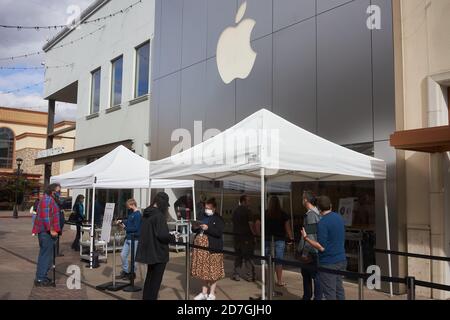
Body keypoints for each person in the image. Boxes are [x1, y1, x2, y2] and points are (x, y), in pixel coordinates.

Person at [301, 196, 347, 300]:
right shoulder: (339, 217)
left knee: (329, 293)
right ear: (330, 205)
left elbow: (322, 247)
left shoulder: (323, 223)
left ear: (318, 208)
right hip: (341, 259)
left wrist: (306, 238)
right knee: (339, 290)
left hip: (328, 262)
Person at [136, 192, 175, 300]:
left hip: (149, 251)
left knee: (149, 278)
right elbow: (162, 235)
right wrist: (172, 237)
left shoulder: (147, 213)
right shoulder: (159, 216)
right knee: (155, 282)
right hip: (159, 252)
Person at [256, 196, 294, 287]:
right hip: (279, 240)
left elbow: (257, 223)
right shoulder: (283, 214)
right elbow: (287, 228)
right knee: (278, 261)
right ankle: (279, 280)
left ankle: (269, 280)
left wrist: (259, 234)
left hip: (267, 239)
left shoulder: (265, 213)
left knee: (269, 261)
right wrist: (291, 238)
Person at [191, 198, 225, 300]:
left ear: (214, 208)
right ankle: (204, 292)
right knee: (204, 271)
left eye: (209, 208)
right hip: (201, 249)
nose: (207, 210)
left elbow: (218, 233)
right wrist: (195, 226)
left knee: (213, 271)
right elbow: (193, 229)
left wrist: (208, 228)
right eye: (206, 208)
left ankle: (212, 293)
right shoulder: (202, 215)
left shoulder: (218, 219)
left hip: (213, 248)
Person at [32, 183, 61, 286]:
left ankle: (41, 276)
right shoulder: (47, 199)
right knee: (46, 256)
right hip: (46, 233)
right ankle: (40, 279)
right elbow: (46, 217)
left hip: (46, 232)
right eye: (58, 191)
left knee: (45, 255)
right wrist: (51, 230)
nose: (59, 193)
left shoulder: (50, 199)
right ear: (52, 191)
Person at [298, 191, 322, 300]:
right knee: (313, 277)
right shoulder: (315, 213)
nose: (302, 200)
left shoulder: (311, 215)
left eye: (303, 198)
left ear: (306, 200)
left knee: (311, 277)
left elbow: (310, 236)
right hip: (314, 251)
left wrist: (304, 253)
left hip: (311, 252)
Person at [231, 194, 256, 282]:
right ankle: (249, 276)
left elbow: (233, 222)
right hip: (246, 237)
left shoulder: (235, 211)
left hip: (237, 237)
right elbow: (251, 224)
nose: (250, 202)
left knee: (238, 256)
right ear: (243, 201)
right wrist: (255, 234)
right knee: (248, 257)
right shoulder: (248, 211)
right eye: (248, 200)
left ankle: (236, 274)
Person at [118, 199, 142, 280]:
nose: (127, 207)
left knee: (134, 258)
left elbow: (136, 228)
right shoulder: (132, 213)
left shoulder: (138, 214)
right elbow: (129, 221)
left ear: (132, 204)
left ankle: (132, 273)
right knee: (123, 255)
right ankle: (126, 271)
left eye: (128, 205)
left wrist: (125, 228)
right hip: (128, 238)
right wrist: (122, 221)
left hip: (134, 239)